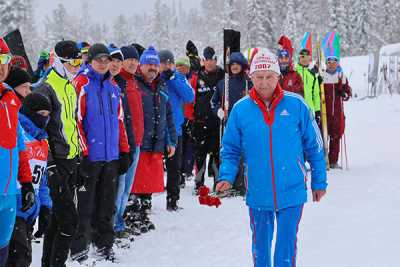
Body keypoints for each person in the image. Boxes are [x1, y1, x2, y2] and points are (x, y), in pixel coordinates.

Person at [216, 49, 327, 267]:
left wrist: (319, 181)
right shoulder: (241, 110)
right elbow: (229, 149)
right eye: (259, 77)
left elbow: (314, 146)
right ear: (251, 77)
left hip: (292, 188)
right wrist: (226, 176)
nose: (264, 83)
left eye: (269, 77)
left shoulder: (297, 105)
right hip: (258, 190)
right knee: (261, 247)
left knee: (286, 246)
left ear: (278, 77)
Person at [71, 43, 130, 262]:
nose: (104, 64)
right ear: (90, 61)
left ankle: (104, 246)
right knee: (85, 206)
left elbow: (120, 121)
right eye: (99, 60)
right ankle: (79, 249)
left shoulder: (113, 87)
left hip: (111, 157)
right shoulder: (81, 84)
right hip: (90, 157)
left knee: (107, 206)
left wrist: (124, 151)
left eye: (107, 60)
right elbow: (75, 122)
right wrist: (84, 153)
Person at [35, 40, 82, 267]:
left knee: (57, 219)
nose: (77, 67)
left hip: (70, 160)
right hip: (57, 162)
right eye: (73, 62)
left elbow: (71, 125)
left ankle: (49, 263)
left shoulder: (69, 86)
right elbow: (41, 131)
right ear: (61, 62)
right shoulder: (47, 87)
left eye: (79, 61)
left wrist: (79, 157)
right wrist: (51, 165)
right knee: (69, 221)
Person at [130, 46, 176, 230]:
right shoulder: (134, 84)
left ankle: (143, 215)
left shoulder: (161, 85)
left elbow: (169, 115)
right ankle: (132, 216)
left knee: (148, 184)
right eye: (148, 64)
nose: (153, 68)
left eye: (155, 65)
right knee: (135, 184)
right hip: (139, 142)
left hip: (156, 142)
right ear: (141, 65)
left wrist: (171, 140)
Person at [6, 92, 52, 267]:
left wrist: (46, 206)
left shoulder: (43, 141)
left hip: (30, 211)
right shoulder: (18, 134)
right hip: (14, 206)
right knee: (20, 258)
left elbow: (42, 179)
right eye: (41, 114)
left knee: (22, 257)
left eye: (47, 115)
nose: (44, 119)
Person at [0, 38, 33, 267]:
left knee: (3, 251)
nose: (2, 65)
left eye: (4, 59)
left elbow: (19, 146)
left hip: (8, 194)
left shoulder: (11, 99)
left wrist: (27, 182)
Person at [112, 44, 143, 237]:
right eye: (129, 59)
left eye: (135, 59)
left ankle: (119, 221)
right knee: (119, 187)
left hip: (136, 142)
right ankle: (114, 225)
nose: (132, 62)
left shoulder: (135, 82)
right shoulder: (117, 81)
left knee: (127, 188)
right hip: (122, 144)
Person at [211, 51, 251, 196]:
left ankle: (243, 184)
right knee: (229, 151)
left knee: (245, 152)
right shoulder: (223, 83)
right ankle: (228, 182)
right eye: (232, 64)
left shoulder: (248, 82)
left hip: (246, 122)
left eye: (237, 64)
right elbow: (213, 102)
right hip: (229, 123)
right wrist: (219, 112)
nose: (234, 67)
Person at [159, 50, 194, 211]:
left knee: (174, 168)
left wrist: (173, 79)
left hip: (175, 130)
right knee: (154, 165)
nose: (167, 66)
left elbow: (189, 96)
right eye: (163, 62)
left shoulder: (177, 77)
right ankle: (145, 200)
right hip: (157, 129)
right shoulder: (154, 78)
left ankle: (173, 200)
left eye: (169, 62)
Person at [193, 46, 224, 193]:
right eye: (207, 60)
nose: (210, 63)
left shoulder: (223, 75)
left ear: (216, 60)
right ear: (203, 61)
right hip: (200, 122)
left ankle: (218, 182)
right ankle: (199, 183)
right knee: (200, 154)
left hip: (217, 122)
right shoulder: (197, 76)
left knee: (217, 154)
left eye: (212, 60)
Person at [322, 55, 352, 169]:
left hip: (337, 113)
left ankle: (333, 161)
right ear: (326, 63)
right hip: (325, 112)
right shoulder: (322, 76)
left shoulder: (341, 76)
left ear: (337, 63)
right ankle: (323, 161)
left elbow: (348, 91)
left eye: (334, 62)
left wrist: (345, 93)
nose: (331, 64)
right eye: (329, 62)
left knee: (336, 136)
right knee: (323, 137)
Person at [176, 57, 197, 186]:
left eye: (184, 66)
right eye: (179, 66)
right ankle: (180, 175)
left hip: (189, 118)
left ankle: (185, 172)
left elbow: (192, 98)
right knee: (179, 149)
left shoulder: (190, 80)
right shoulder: (173, 79)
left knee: (188, 149)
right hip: (178, 119)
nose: (181, 68)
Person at [295, 48, 321, 124]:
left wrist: (317, 111)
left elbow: (316, 94)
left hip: (309, 110)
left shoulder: (313, 74)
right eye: (302, 56)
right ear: (299, 58)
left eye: (307, 57)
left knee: (309, 134)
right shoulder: (294, 72)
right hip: (296, 109)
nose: (305, 59)